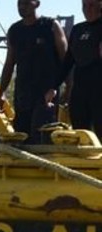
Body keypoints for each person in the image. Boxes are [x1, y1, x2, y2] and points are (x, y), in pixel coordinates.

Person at [0, 0, 67, 142]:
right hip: (23, 93)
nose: (22, 6)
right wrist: (1, 92)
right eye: (20, 3)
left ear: (37, 4)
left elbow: (66, 59)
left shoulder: (50, 26)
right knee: (22, 136)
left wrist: (69, 87)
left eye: (26, 3)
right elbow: (9, 64)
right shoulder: (15, 31)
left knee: (43, 135)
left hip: (46, 93)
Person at [54, 0, 102, 134]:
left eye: (92, 5)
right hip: (80, 90)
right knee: (80, 133)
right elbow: (68, 61)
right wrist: (53, 86)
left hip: (99, 90)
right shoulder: (77, 29)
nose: (88, 9)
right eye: (84, 6)